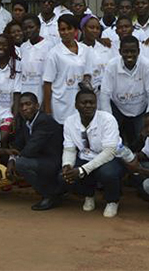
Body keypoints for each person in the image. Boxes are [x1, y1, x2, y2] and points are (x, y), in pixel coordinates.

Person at [60, 89, 125, 218]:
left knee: (107, 173)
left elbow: (110, 151)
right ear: (76, 105)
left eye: (92, 102)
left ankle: (112, 200)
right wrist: (67, 165)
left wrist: (83, 170)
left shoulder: (108, 119)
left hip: (110, 158)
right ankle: (88, 195)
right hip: (86, 157)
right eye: (84, 103)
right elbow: (69, 149)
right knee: (63, 176)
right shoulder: (69, 121)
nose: (88, 105)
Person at [100, 36, 149, 152]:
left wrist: (147, 122)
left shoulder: (146, 65)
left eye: (133, 51)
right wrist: (109, 121)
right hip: (118, 106)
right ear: (119, 51)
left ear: (138, 51)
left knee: (144, 138)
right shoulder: (112, 65)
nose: (129, 55)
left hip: (140, 108)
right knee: (111, 135)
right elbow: (104, 94)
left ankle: (141, 162)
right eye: (125, 51)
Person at [9, 92, 64, 210]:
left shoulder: (44, 121)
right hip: (40, 160)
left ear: (37, 106)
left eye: (28, 104)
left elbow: (30, 149)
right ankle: (52, 191)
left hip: (54, 162)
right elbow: (17, 144)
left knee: (21, 164)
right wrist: (11, 158)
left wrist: (15, 161)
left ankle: (49, 195)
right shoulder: (25, 121)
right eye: (21, 105)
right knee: (20, 162)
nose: (24, 108)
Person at [42, 14, 93, 124]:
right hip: (61, 103)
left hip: (81, 103)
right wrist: (47, 109)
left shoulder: (85, 50)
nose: (65, 32)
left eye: (69, 29)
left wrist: (85, 84)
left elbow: (87, 74)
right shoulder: (54, 53)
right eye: (62, 29)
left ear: (75, 30)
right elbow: (47, 83)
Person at [20, 15, 53, 107]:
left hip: (41, 94)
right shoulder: (23, 47)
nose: (28, 30)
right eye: (25, 28)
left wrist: (46, 102)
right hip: (25, 92)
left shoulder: (49, 46)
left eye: (31, 27)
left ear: (38, 28)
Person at [80, 16, 118, 91]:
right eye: (91, 27)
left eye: (97, 28)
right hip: (85, 95)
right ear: (83, 29)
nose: (95, 30)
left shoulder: (106, 47)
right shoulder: (78, 49)